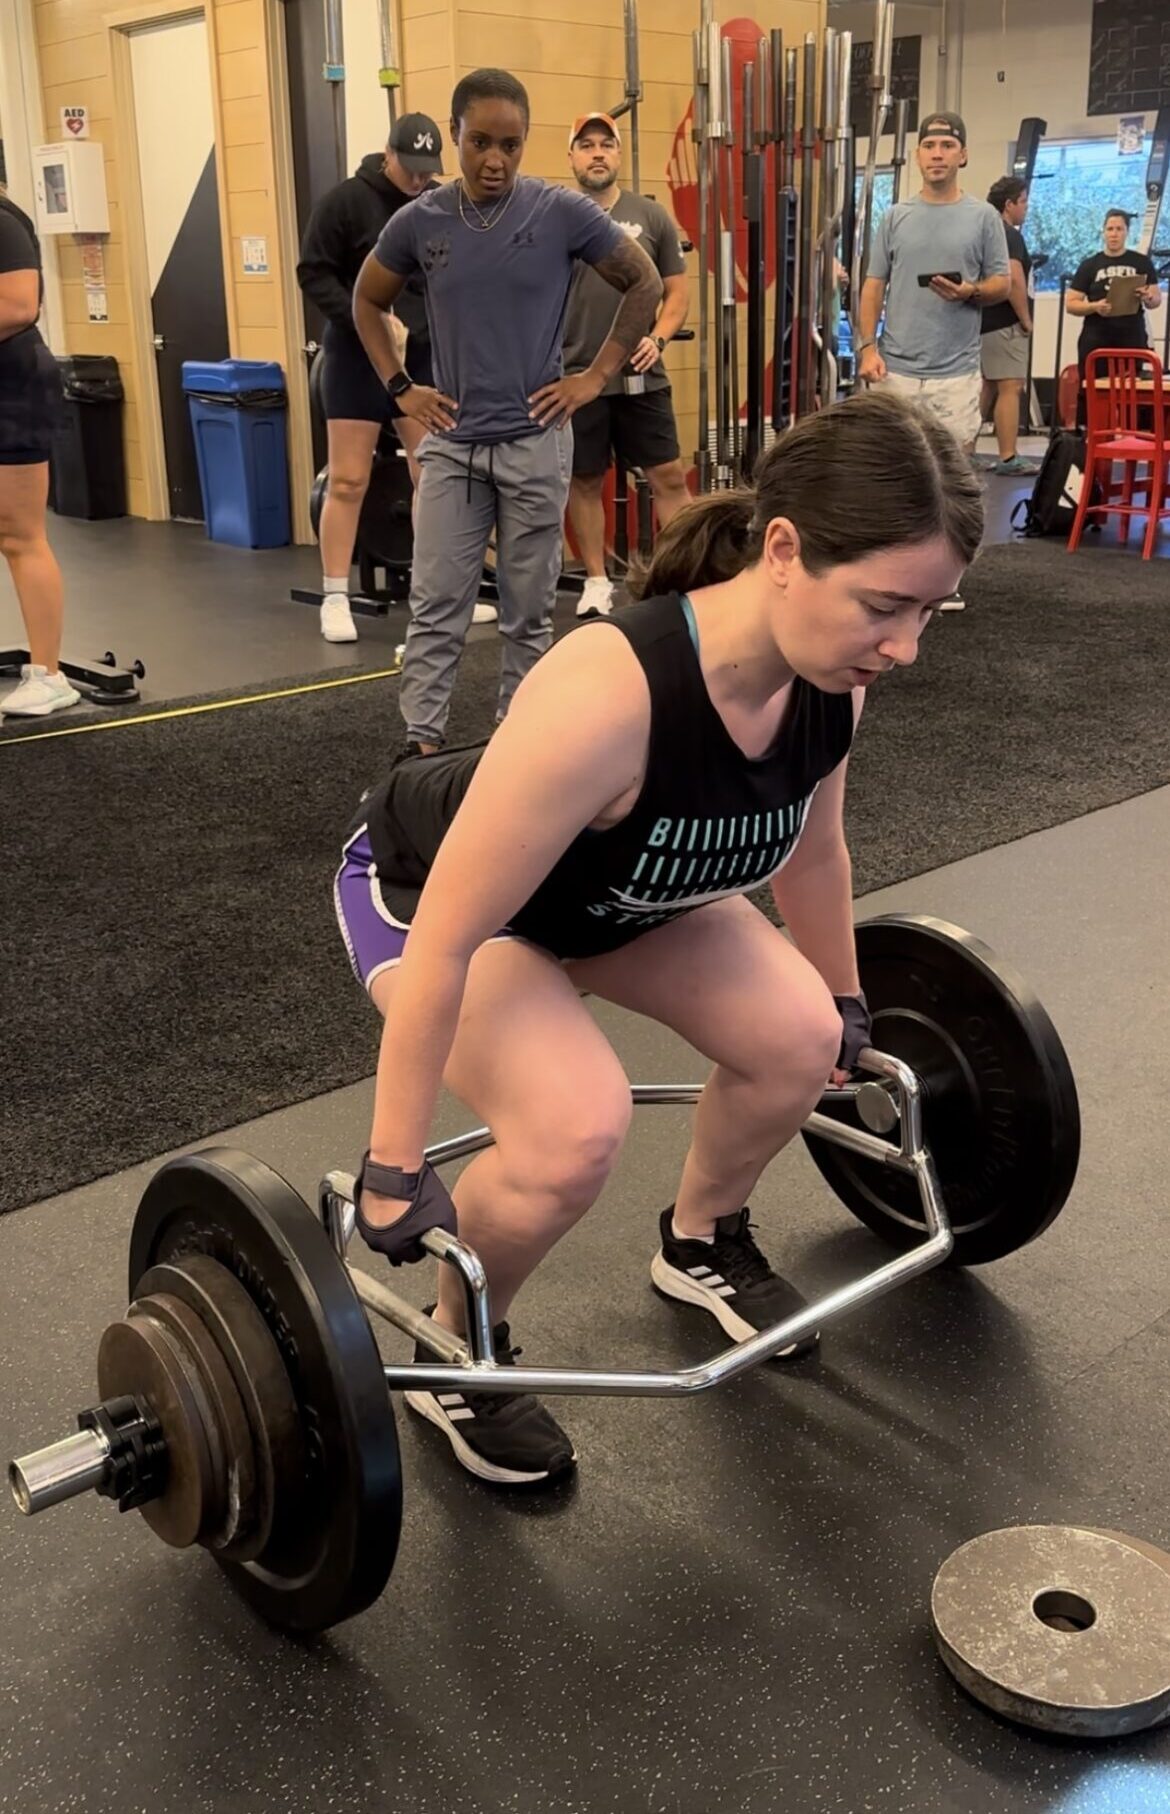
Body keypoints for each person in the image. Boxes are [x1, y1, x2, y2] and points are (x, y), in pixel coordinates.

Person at [332, 389, 984, 1487]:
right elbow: (446, 937)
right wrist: (392, 1164)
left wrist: (846, 997)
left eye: (932, 611)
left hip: (622, 894)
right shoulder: (606, 693)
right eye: (886, 604)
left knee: (795, 1039)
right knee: (572, 1129)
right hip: (445, 903)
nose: (906, 646)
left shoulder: (835, 679)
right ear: (783, 550)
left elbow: (813, 855)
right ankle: (457, 1347)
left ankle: (700, 1240)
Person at [352, 68, 662, 756]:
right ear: (456, 135)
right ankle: (420, 745)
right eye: (481, 142)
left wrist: (595, 376)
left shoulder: (560, 213)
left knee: (528, 614)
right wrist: (401, 387)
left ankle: (517, 744)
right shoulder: (420, 222)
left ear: (526, 144)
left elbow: (642, 281)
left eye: (511, 145)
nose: (495, 160)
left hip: (534, 442)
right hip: (455, 447)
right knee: (437, 608)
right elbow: (365, 301)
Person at [297, 113, 449, 644]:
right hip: (357, 353)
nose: (417, 180)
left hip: (421, 355)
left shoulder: (436, 205)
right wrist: (371, 320)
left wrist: (426, 329)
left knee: (433, 474)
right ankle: (335, 595)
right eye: (409, 169)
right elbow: (313, 271)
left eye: (426, 172)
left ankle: (441, 591)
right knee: (349, 479)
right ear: (388, 154)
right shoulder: (345, 201)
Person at [562, 111, 691, 619]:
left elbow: (676, 293)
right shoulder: (557, 216)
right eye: (586, 145)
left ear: (618, 154)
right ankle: (596, 582)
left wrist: (658, 339)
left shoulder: (651, 216)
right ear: (571, 156)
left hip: (642, 375)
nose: (597, 153)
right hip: (576, 375)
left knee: (669, 476)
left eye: (605, 145)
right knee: (586, 481)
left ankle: (680, 575)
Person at [857, 112, 1010, 456]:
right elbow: (873, 286)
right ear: (918, 155)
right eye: (929, 145)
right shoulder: (896, 216)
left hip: (955, 373)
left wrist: (971, 291)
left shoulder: (984, 217)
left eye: (947, 145)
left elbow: (1002, 284)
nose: (937, 153)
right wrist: (867, 349)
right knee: (891, 472)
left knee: (955, 474)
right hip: (895, 371)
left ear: (963, 155)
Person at [0, 188, 79, 719]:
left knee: (18, 534)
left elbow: (18, 305)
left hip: (11, 387)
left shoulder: (2, 222)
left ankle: (49, 675)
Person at [1066, 209, 1164, 408]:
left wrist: (1147, 296)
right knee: (1093, 391)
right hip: (1096, 337)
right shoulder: (1089, 265)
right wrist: (1094, 306)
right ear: (1103, 232)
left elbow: (1155, 300)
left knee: (1132, 393)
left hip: (1131, 336)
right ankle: (1091, 433)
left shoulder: (1141, 262)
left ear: (1127, 232)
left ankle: (1132, 433)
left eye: (1119, 229)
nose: (1114, 233)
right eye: (1110, 229)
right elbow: (1071, 304)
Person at [979, 176, 1035, 475]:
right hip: (1004, 323)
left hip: (982, 323)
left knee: (986, 386)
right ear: (1009, 204)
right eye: (1023, 201)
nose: (1026, 207)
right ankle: (1008, 457)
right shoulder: (1009, 235)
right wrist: (1025, 320)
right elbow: (1013, 279)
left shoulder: (984, 231)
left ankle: (965, 451)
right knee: (1010, 386)